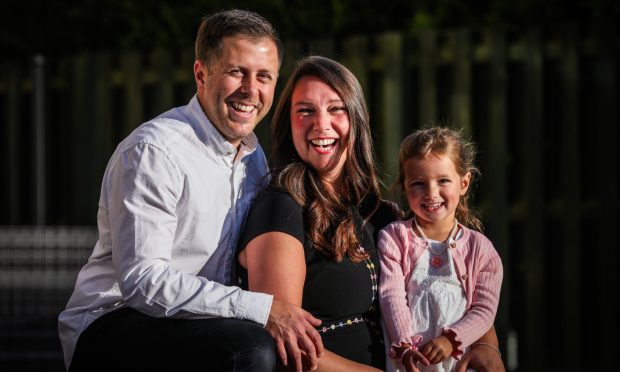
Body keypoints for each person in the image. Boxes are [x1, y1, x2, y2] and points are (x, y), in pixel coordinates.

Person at [58, 10, 323, 372]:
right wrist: (260, 308)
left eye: (264, 76)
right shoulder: (155, 151)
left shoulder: (252, 155)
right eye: (236, 72)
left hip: (199, 322)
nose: (251, 89)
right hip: (114, 322)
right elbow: (143, 282)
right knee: (250, 350)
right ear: (201, 74)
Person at [237, 56, 505, 372]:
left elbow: (455, 283)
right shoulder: (280, 208)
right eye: (305, 111)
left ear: (356, 119)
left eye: (336, 109)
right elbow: (286, 344)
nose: (321, 124)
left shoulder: (380, 215)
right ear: (288, 124)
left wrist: (487, 344)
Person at [378, 127, 504, 372]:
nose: (431, 193)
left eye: (443, 180)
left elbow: (484, 310)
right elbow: (391, 296)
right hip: (410, 363)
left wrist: (451, 340)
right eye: (418, 183)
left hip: (459, 364)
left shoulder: (481, 250)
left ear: (464, 182)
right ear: (404, 186)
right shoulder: (394, 238)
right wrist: (405, 346)